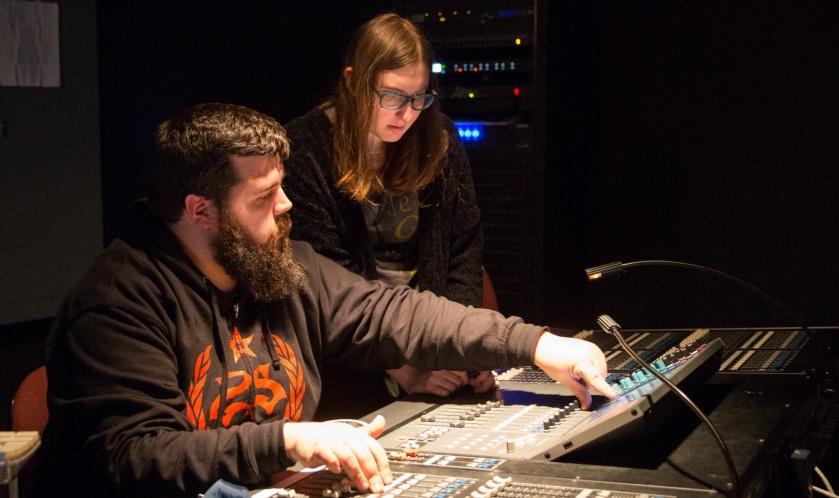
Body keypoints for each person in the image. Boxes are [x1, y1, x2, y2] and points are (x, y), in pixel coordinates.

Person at [37, 102, 617, 498]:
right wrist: (291, 439)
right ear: (200, 211)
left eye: (282, 186)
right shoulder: (115, 304)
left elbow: (392, 313)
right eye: (264, 197)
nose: (286, 205)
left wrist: (534, 344)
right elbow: (135, 456)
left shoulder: (279, 265)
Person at [284, 13, 491, 413]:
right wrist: (406, 368)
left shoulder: (439, 135)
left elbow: (464, 252)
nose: (408, 114)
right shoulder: (304, 149)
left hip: (431, 342)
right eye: (393, 96)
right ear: (352, 81)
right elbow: (330, 286)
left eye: (420, 97)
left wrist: (463, 346)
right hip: (347, 368)